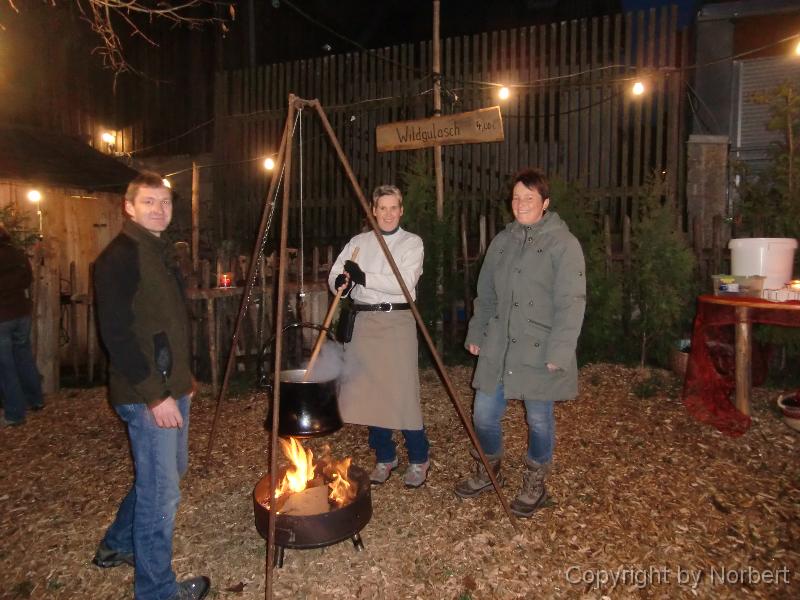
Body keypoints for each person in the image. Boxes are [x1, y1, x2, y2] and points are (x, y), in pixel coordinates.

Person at [92, 172, 209, 600]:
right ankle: (157, 591)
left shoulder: (159, 251)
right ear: (129, 207)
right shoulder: (119, 258)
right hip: (146, 394)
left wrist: (183, 378)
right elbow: (117, 335)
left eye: (165, 202)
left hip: (169, 385)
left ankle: (117, 544)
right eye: (148, 202)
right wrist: (156, 396)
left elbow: (164, 324)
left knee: (165, 475)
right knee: (161, 494)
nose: (159, 209)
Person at [454, 167, 586, 517]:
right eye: (516, 197)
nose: (521, 203)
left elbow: (572, 302)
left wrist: (560, 351)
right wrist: (477, 332)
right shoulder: (502, 242)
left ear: (545, 202)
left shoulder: (563, 244)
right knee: (483, 414)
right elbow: (485, 294)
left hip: (539, 347)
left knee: (539, 419)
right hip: (499, 344)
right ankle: (489, 468)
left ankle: (535, 482)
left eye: (529, 197)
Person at [328, 184, 430, 487]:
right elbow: (336, 273)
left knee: (402, 391)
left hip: (397, 321)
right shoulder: (359, 243)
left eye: (393, 207)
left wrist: (365, 277)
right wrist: (341, 281)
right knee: (370, 391)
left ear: (401, 210)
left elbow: (405, 282)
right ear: (373, 210)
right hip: (364, 322)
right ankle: (385, 456)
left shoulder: (411, 243)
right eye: (382, 208)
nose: (387, 214)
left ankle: (419, 457)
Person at [0, 225, 44, 426]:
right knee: (24, 357)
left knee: (5, 366)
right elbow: (28, 279)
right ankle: (35, 399)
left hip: (2, 317)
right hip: (21, 313)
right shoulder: (18, 254)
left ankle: (14, 414)